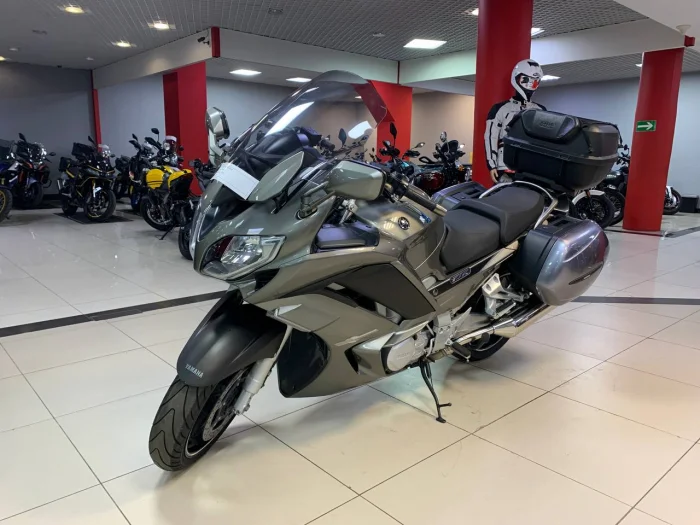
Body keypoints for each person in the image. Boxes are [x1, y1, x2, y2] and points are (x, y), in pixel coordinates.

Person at [485, 59, 546, 183]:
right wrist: (491, 164)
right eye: (526, 80)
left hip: (531, 168)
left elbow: (545, 142)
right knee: (504, 194)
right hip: (505, 166)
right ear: (517, 78)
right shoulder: (500, 109)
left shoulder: (540, 110)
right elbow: (490, 137)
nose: (531, 85)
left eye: (535, 82)